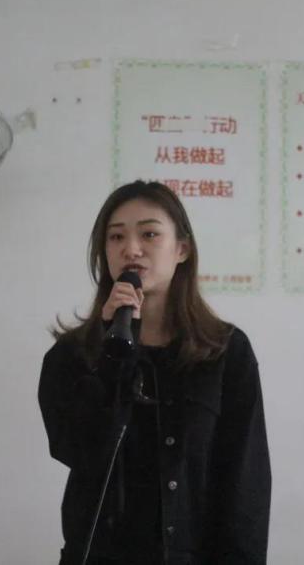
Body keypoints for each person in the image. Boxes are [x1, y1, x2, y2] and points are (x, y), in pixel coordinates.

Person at [39, 181, 270, 565]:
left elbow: (247, 478)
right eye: (116, 237)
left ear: (182, 249)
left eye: (149, 234)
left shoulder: (226, 352)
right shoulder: (73, 355)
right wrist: (114, 353)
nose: (131, 249)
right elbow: (77, 450)